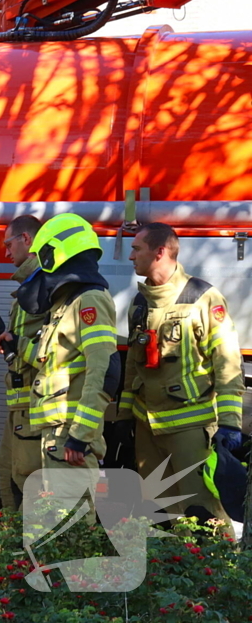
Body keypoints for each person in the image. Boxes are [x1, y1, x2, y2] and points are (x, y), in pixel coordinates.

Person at [120, 222, 242, 527]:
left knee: (201, 512)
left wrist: (229, 422)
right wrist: (123, 417)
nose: (130, 256)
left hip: (189, 428)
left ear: (160, 252)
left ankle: (219, 572)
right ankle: (178, 571)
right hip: (147, 427)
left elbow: (227, 362)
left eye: (136, 249)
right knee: (162, 511)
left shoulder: (202, 298)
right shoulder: (140, 303)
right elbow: (132, 366)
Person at [16, 213, 119, 517]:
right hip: (58, 433)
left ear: (57, 252)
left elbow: (105, 371)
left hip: (70, 435)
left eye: (42, 253)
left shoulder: (90, 301)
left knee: (72, 522)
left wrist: (80, 435)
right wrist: (15, 346)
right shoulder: (68, 304)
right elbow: (51, 361)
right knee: (61, 521)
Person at [0, 215, 44, 510]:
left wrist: (18, 345)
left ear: (26, 239)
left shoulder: (44, 284)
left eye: (8, 244)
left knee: (28, 483)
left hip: (35, 409)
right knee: (5, 475)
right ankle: (10, 547)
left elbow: (53, 351)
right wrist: (11, 344)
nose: (6, 252)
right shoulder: (29, 285)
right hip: (20, 408)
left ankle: (27, 552)